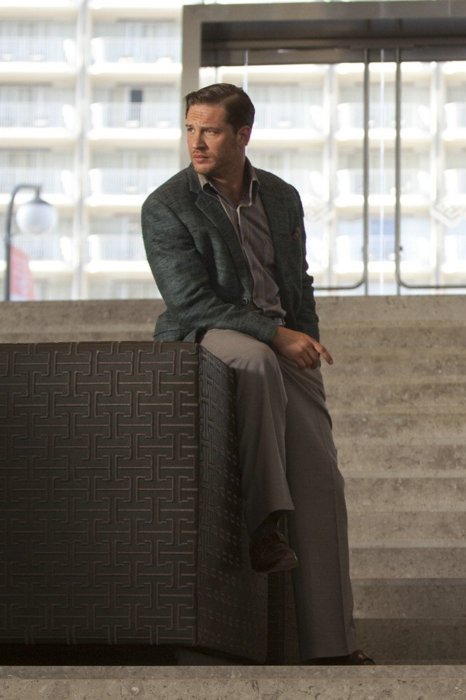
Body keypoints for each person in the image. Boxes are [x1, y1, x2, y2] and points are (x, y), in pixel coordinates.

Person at [141, 83, 373, 665]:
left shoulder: (282, 196)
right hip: (208, 333)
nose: (196, 142)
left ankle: (332, 647)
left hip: (281, 337)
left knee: (322, 482)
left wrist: (304, 336)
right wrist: (274, 336)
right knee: (255, 357)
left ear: (243, 134)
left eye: (210, 130)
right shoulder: (165, 206)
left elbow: (299, 281)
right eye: (190, 128)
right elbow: (189, 301)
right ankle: (266, 523)